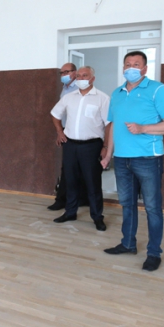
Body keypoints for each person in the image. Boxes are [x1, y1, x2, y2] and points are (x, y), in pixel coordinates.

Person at [101, 51, 164, 272]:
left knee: (152, 208)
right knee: (127, 204)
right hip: (121, 159)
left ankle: (154, 253)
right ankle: (128, 244)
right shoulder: (117, 93)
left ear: (145, 69)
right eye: (127, 64)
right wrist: (108, 155)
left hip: (148, 159)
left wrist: (143, 128)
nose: (131, 68)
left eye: (136, 64)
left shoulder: (158, 90)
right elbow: (113, 126)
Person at [50, 66, 111, 231]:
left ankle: (97, 217)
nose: (81, 78)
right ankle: (70, 212)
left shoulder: (103, 98)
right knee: (70, 181)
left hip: (91, 146)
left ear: (92, 79)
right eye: (78, 76)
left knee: (92, 183)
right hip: (70, 145)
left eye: (85, 75)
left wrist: (106, 146)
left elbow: (109, 124)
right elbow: (55, 114)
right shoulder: (69, 97)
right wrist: (59, 132)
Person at [47, 63, 90, 210]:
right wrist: (60, 132)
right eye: (62, 73)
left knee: (80, 167)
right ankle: (63, 199)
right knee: (68, 167)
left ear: (75, 72)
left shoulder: (79, 88)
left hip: (80, 132)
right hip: (67, 132)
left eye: (67, 72)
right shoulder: (65, 89)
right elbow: (59, 113)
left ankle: (81, 198)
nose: (64, 75)